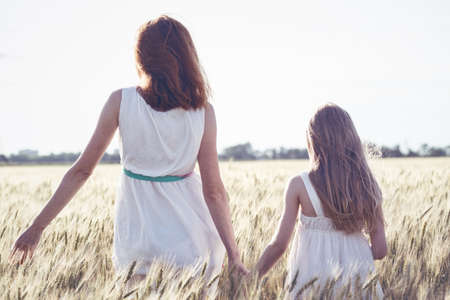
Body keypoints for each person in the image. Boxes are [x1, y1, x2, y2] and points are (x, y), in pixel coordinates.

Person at [10, 15, 248, 292]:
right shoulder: (203, 111)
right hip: (192, 239)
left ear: (142, 58)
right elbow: (214, 192)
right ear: (187, 56)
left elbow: (81, 171)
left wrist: (36, 228)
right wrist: (234, 254)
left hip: (138, 240)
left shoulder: (121, 101)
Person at [256, 104, 387, 299]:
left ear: (313, 141)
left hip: (312, 282)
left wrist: (252, 277)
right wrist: (351, 254)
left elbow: (279, 245)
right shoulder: (367, 184)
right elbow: (379, 250)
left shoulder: (299, 185)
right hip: (357, 280)